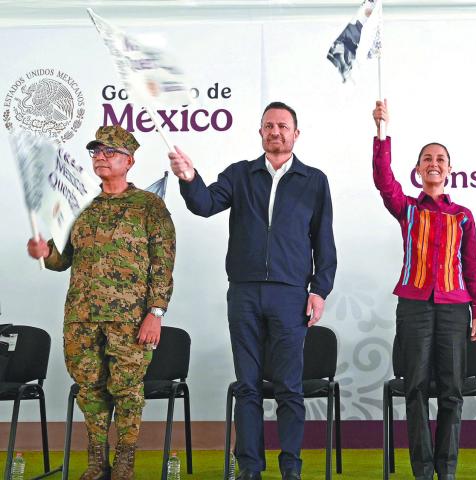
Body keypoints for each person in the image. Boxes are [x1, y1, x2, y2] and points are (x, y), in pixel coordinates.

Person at [168, 101, 336, 480]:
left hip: (291, 294)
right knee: (248, 386)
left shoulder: (314, 180)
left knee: (289, 388)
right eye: (268, 126)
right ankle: (249, 469)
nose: (275, 132)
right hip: (243, 293)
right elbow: (205, 204)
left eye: (283, 126)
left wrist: (319, 290)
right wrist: (189, 177)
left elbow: (323, 239)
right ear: (260, 132)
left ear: (296, 133)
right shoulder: (240, 175)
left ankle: (291, 468)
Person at [27, 125, 176, 480]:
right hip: (81, 318)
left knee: (126, 392)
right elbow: (62, 259)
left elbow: (163, 264)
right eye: (96, 151)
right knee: (90, 390)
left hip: (129, 320)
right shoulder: (78, 206)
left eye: (109, 152)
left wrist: (155, 313)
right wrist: (44, 252)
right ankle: (97, 462)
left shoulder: (149, 207)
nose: (101, 157)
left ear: (129, 160)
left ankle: (124, 463)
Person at [372, 100, 476, 480]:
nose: (433, 163)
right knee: (415, 387)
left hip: (455, 309)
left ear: (450, 170)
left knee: (453, 390)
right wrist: (381, 132)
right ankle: (422, 470)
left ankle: (447, 469)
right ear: (418, 170)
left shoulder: (464, 215)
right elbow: (383, 179)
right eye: (426, 159)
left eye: (440, 159)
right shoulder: (406, 208)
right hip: (414, 306)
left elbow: (472, 268)